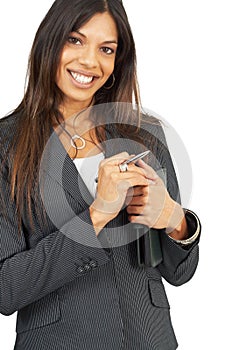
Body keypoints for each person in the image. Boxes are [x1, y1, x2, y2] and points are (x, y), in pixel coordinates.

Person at [0, 0, 201, 349]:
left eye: (106, 49)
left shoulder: (145, 135)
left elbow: (178, 272)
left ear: (117, 60)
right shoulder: (7, 145)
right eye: (75, 40)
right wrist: (96, 215)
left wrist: (174, 220)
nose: (90, 61)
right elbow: (5, 288)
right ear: (49, 42)